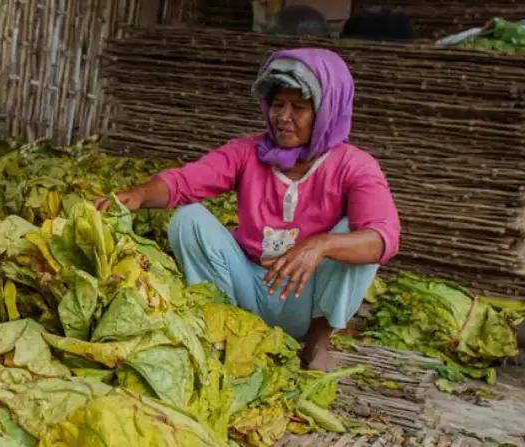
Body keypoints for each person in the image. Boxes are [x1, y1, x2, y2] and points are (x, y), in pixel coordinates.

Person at [99, 48, 399, 371]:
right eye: (277, 105)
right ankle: (222, 327)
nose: (283, 117)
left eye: (298, 107)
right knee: (188, 221)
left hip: (306, 300)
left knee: (356, 238)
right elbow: (184, 181)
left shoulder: (355, 166)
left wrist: (322, 245)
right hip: (248, 287)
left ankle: (316, 342)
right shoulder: (249, 153)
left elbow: (383, 238)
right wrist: (140, 194)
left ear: (327, 111)